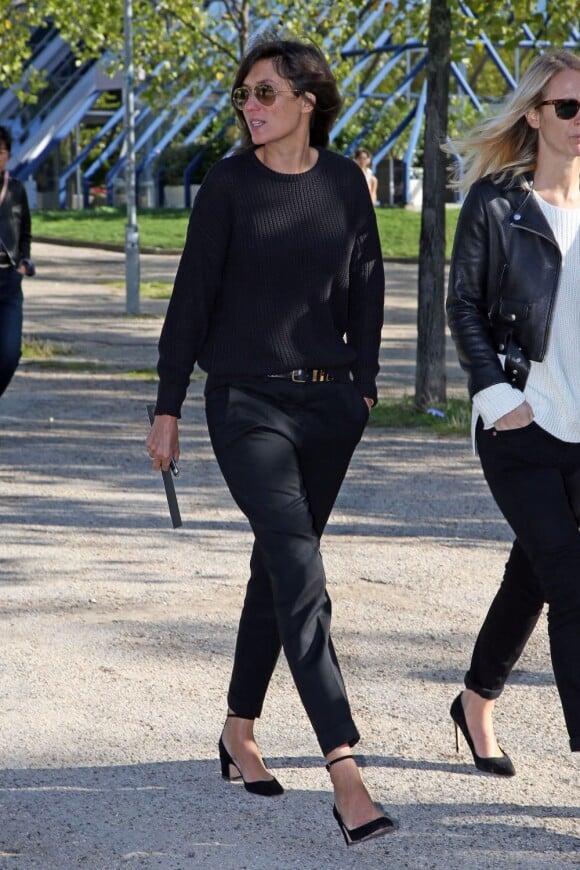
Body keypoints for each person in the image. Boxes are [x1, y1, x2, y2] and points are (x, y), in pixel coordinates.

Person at [146, 37, 394, 844]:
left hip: (330, 409)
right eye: (243, 96)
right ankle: (346, 772)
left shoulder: (343, 186)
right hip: (245, 405)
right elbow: (190, 298)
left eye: (263, 94)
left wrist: (363, 386)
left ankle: (238, 729)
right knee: (301, 572)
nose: (249, 107)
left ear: (306, 99)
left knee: (276, 571)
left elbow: (367, 282)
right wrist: (168, 405)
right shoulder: (227, 185)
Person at [446, 49, 580, 775]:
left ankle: (475, 700)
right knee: (572, 580)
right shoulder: (498, 203)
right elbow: (462, 305)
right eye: (569, 107)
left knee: (534, 572)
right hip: (521, 425)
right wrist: (498, 399)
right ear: (534, 114)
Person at [0, 125, 35, 398]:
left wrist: (23, 262)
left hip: (10, 280)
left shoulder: (16, 189)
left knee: (10, 352)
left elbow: (25, 231)